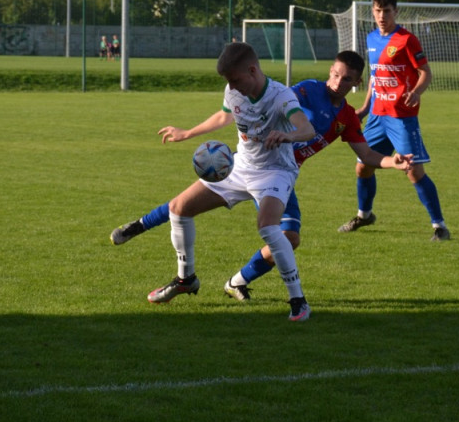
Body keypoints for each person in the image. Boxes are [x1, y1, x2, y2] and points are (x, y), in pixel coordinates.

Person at [111, 51, 414, 301]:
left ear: (356, 82)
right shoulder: (308, 90)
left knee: (289, 238)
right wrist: (188, 132)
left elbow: (368, 156)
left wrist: (393, 161)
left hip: (279, 176)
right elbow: (246, 107)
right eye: (334, 74)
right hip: (254, 162)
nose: (337, 82)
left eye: (346, 78)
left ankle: (237, 281)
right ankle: (141, 225)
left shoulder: (346, 117)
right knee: (184, 205)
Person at [141, 41, 317, 321]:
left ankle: (298, 300)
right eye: (228, 82)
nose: (232, 87)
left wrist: (289, 136)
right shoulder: (233, 90)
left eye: (235, 80)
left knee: (269, 227)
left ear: (252, 70)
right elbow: (224, 115)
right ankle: (186, 279)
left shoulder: (281, 97)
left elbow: (306, 128)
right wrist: (187, 133)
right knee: (179, 208)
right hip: (240, 167)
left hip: (275, 171)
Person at [337, 0, 450, 242]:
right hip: (377, 115)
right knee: (362, 167)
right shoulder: (371, 39)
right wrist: (366, 107)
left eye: (386, 11)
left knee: (413, 171)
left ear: (395, 12)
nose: (381, 16)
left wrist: (418, 92)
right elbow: (376, 78)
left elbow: (425, 72)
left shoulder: (407, 40)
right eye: (377, 11)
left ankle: (439, 226)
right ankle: (364, 215)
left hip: (401, 117)